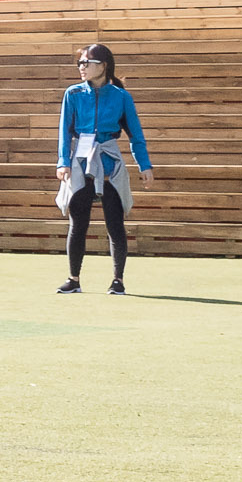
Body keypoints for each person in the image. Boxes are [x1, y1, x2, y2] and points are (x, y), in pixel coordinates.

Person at [55, 43, 152, 295]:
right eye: (80, 63)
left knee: (115, 223)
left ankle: (118, 280)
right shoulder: (73, 94)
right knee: (77, 223)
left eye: (87, 62)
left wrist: (145, 164)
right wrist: (63, 162)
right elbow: (65, 131)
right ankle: (73, 279)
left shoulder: (122, 96)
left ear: (104, 66)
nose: (82, 67)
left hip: (110, 163)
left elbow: (136, 134)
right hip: (80, 163)